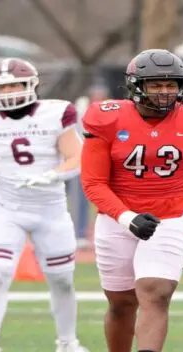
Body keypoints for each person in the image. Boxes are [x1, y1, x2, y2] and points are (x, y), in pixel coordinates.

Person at [81, 49, 183, 352]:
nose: (164, 93)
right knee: (121, 302)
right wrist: (127, 218)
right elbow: (93, 183)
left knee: (156, 292)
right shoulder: (107, 118)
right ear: (135, 86)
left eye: (171, 85)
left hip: (171, 217)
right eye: (155, 84)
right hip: (117, 219)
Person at [0, 58, 101, 352]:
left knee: (61, 279)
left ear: (31, 85)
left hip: (50, 209)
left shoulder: (54, 114)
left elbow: (77, 157)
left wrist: (52, 175)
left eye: (14, 85)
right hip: (7, 207)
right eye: (2, 86)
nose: (8, 92)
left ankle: (67, 344)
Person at [72, 83, 111, 249]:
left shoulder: (111, 110)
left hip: (105, 162)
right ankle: (80, 234)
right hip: (82, 160)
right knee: (79, 199)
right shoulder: (79, 109)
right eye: (95, 95)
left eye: (100, 95)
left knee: (108, 200)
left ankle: (109, 234)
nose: (97, 98)